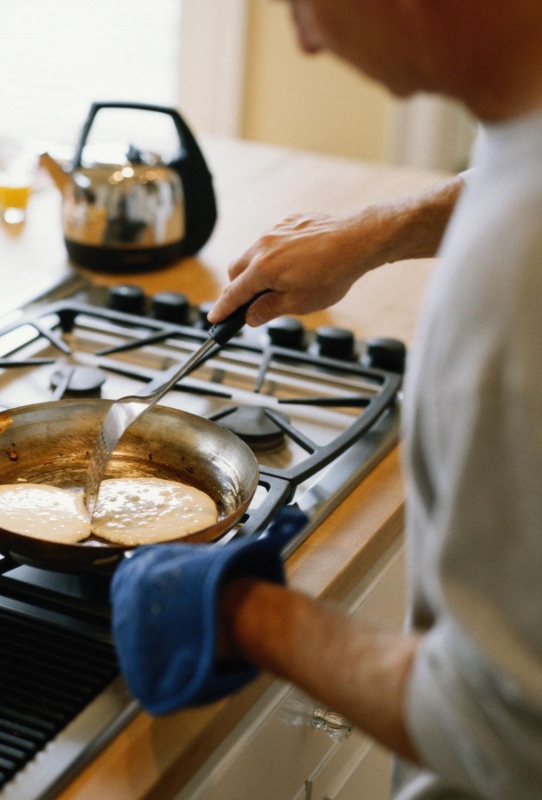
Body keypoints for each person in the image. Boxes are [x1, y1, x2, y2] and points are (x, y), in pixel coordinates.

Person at [109, 1, 542, 797]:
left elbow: (511, 734)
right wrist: (382, 229)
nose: (304, 41)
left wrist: (240, 609)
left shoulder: (518, 280)